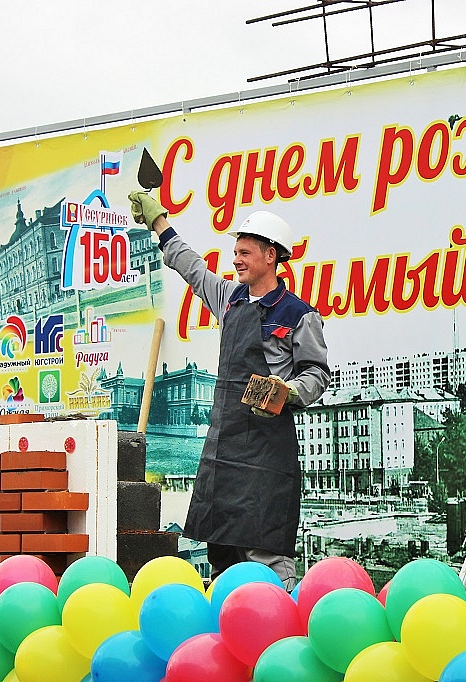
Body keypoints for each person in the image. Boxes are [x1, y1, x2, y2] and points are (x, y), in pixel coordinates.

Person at [129, 191, 331, 589]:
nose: (235, 259)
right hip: (224, 449)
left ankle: (277, 631)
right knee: (221, 552)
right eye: (235, 252)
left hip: (266, 456)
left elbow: (317, 373)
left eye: (244, 252)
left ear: (271, 256)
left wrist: (286, 391)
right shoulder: (229, 298)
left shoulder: (299, 314)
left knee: (265, 550)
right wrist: (159, 222)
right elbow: (190, 267)